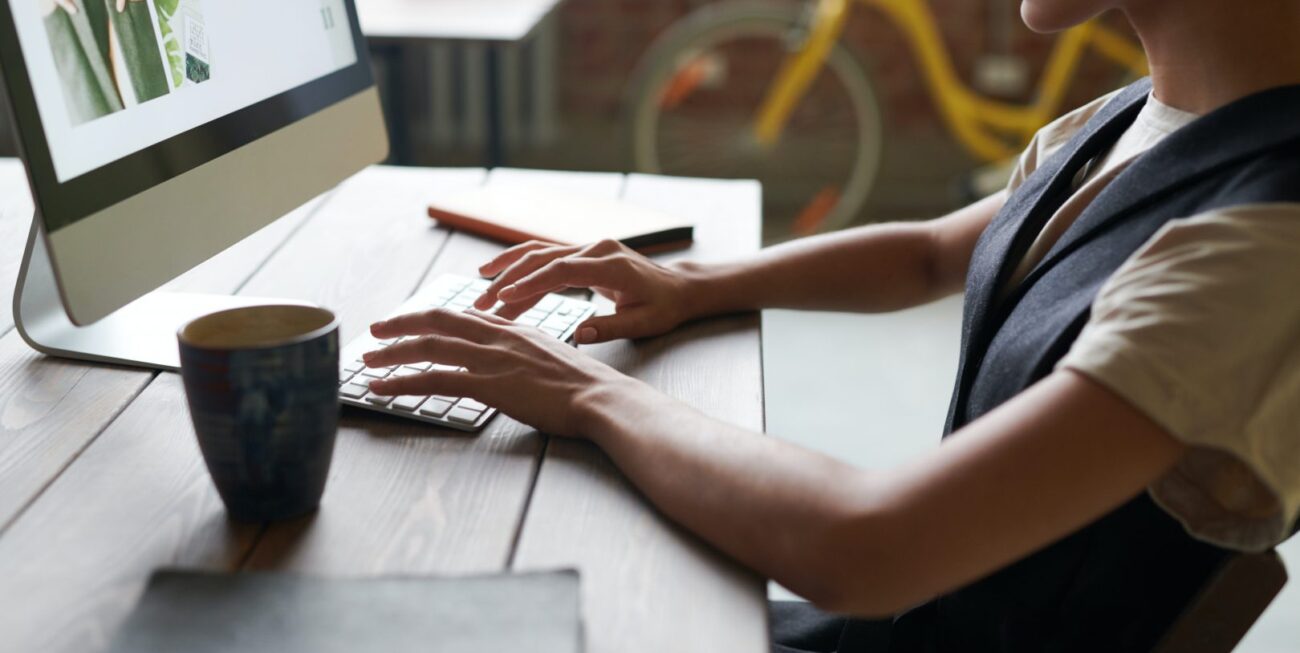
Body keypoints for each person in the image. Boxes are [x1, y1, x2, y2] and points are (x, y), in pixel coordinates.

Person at [363, 0, 1300, 649]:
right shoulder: (1141, 116)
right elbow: (934, 253)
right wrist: (689, 283)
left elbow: (870, 546)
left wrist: (580, 390)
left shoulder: (1262, 245)